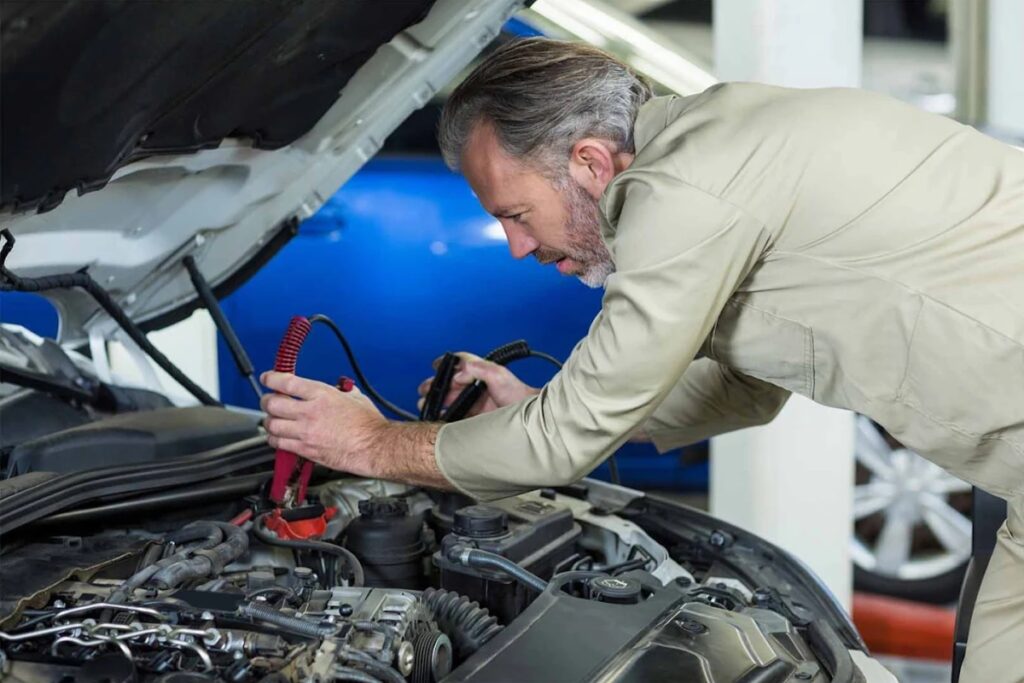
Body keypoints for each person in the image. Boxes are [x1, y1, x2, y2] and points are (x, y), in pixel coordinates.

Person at [260, 38, 1024, 680]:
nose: (521, 248)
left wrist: (367, 443)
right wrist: (532, 402)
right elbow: (740, 385)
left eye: (516, 215)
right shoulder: (718, 147)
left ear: (591, 162)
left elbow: (570, 436)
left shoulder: (685, 188)